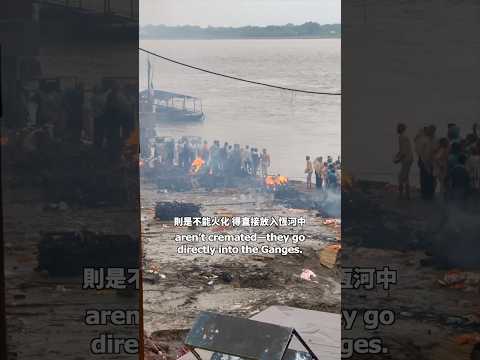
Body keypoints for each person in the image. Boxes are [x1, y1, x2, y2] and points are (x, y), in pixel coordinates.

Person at [393, 123, 413, 199]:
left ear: (400, 129)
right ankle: (407, 195)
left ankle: (401, 194)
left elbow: (404, 152)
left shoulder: (402, 138)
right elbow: (402, 150)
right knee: (406, 176)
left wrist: (397, 160)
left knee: (401, 177)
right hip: (408, 159)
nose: (397, 129)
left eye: (398, 128)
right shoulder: (403, 137)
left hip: (406, 159)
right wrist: (398, 155)